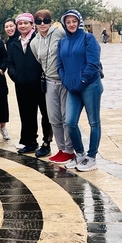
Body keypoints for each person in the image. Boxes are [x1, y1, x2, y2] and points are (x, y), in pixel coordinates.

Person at [57, 9, 103, 171]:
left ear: (79, 22)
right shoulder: (62, 42)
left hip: (91, 85)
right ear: (64, 23)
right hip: (72, 88)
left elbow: (93, 63)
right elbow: (60, 65)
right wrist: (66, 80)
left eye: (74, 21)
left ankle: (91, 157)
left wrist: (82, 80)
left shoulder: (88, 38)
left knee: (94, 122)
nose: (71, 24)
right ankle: (81, 154)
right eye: (68, 22)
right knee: (70, 122)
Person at [30, 9, 74, 164]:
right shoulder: (34, 42)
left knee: (66, 117)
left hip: (64, 82)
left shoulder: (59, 33)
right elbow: (39, 59)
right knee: (53, 118)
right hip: (49, 82)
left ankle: (69, 150)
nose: (43, 24)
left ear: (51, 21)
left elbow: (71, 48)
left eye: (46, 20)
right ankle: (61, 149)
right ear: (35, 23)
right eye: (39, 21)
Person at [7, 13, 52, 156]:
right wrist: (15, 76)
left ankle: (46, 143)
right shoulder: (14, 43)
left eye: (25, 23)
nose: (22, 26)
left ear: (32, 24)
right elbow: (10, 63)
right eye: (20, 23)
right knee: (27, 115)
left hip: (39, 84)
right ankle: (31, 142)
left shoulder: (38, 39)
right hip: (22, 85)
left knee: (46, 114)